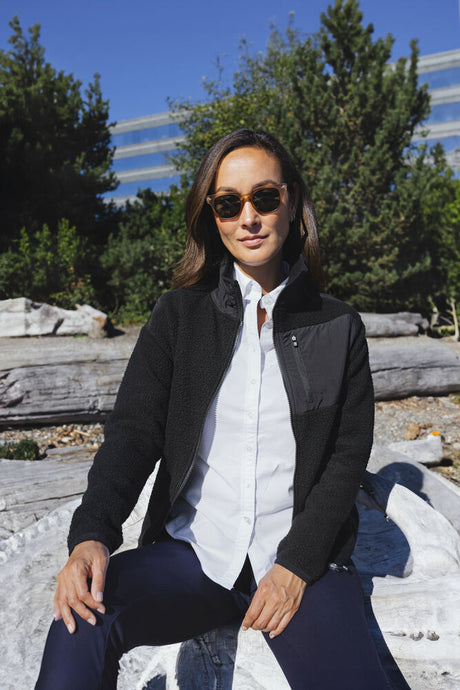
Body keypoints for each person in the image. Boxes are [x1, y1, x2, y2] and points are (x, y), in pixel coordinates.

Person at [36, 129, 391, 689]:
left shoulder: (337, 325)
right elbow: (133, 434)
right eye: (228, 204)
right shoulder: (179, 316)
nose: (248, 217)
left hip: (301, 566)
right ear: (212, 216)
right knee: (79, 620)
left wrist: (297, 565)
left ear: (292, 203)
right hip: (197, 558)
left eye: (264, 198)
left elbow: (346, 458)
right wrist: (91, 535)